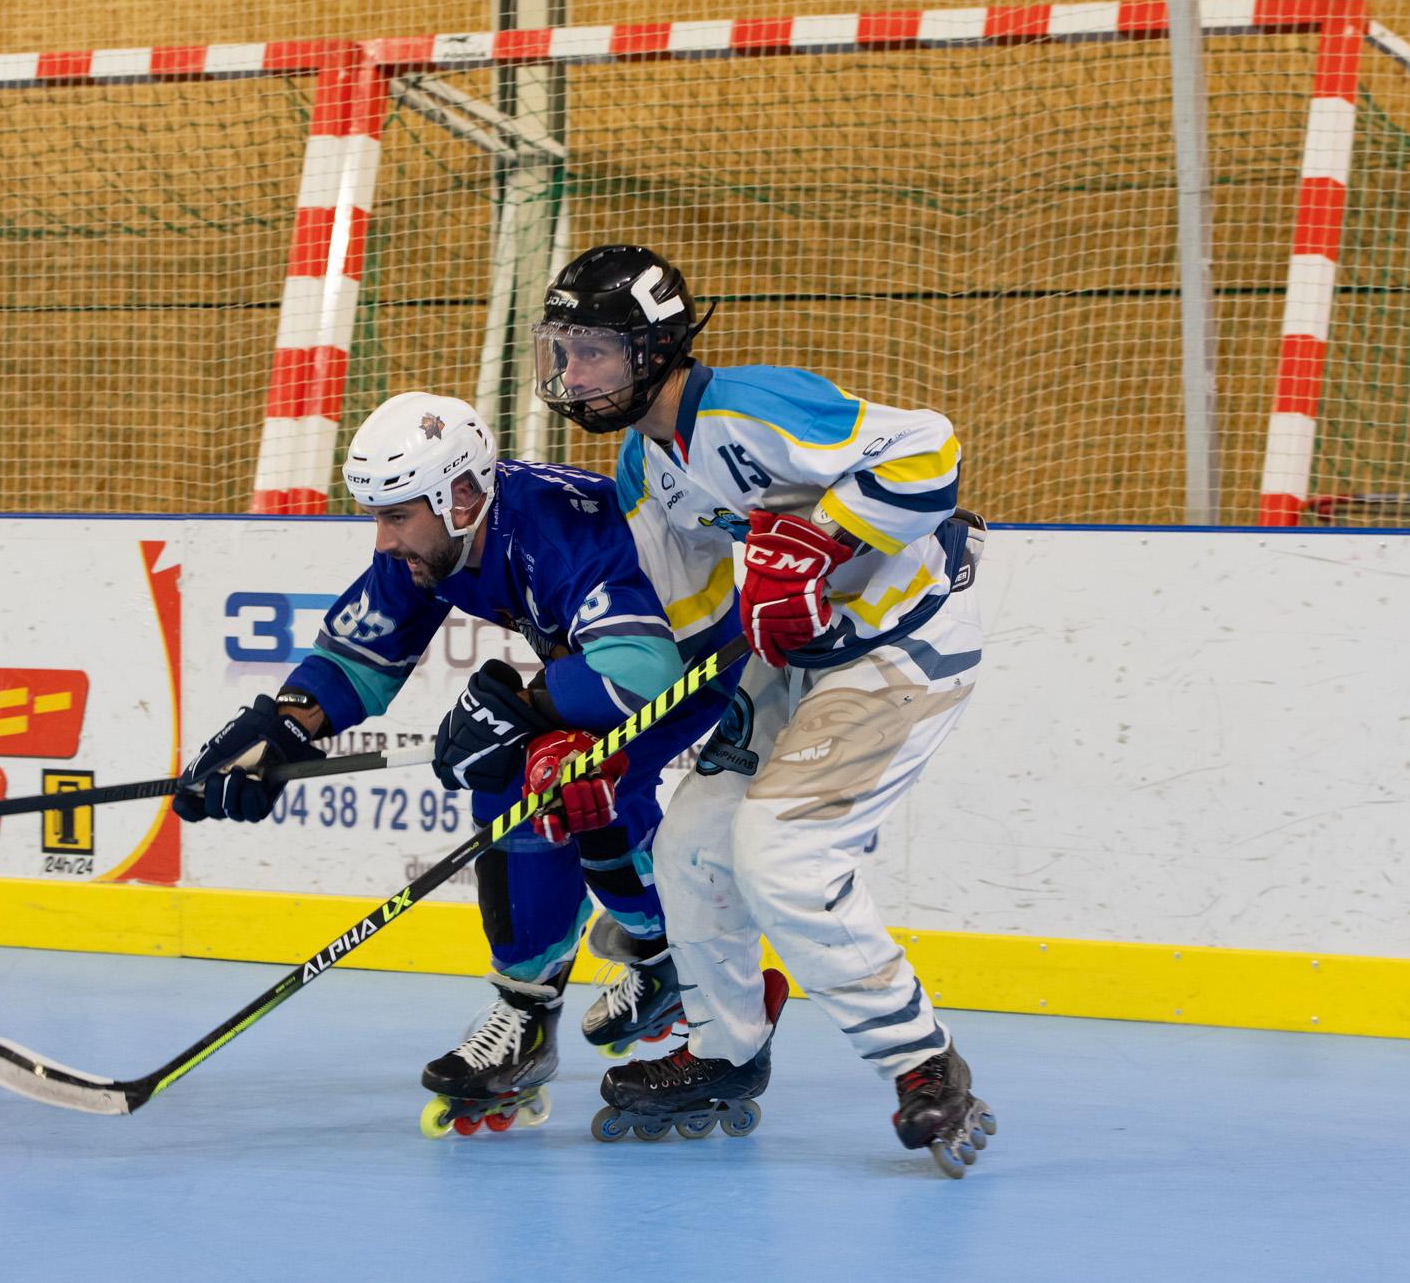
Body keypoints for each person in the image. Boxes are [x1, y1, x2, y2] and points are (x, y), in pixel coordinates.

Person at [532, 243, 997, 1175]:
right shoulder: (641, 466)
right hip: (789, 662)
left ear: (655, 350)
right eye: (563, 351)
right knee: (687, 847)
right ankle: (725, 1051)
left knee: (781, 853)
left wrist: (815, 542)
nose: (572, 374)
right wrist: (604, 738)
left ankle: (922, 1061)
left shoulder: (749, 407)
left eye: (593, 351)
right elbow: (691, 636)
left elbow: (930, 448)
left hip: (899, 648)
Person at [174, 390, 734, 1138]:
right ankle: (655, 957)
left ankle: (541, 1012)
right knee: (545, 774)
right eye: (377, 515)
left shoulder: (555, 530)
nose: (383, 540)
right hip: (616, 663)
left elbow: (644, 667)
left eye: (395, 515)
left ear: (461, 494)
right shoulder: (439, 536)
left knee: (533, 777)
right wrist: (279, 728)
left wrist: (528, 709)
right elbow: (362, 649)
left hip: (698, 663)